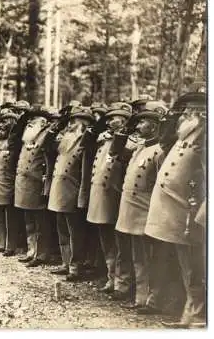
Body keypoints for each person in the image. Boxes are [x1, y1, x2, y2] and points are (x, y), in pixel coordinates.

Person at [144, 92, 206, 328]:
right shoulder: (184, 132)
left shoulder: (205, 137)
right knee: (182, 262)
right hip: (171, 206)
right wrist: (174, 114)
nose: (191, 112)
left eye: (197, 108)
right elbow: (164, 138)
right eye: (188, 107)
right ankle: (188, 313)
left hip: (188, 207)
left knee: (193, 264)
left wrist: (200, 206)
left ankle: (197, 317)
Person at [110, 101, 168, 310]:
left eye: (142, 121)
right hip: (129, 208)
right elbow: (115, 153)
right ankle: (132, 292)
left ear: (154, 125)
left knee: (145, 257)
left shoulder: (160, 150)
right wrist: (122, 132)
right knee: (132, 254)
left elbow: (161, 184)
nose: (138, 125)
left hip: (145, 210)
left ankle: (147, 299)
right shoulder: (139, 147)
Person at [86, 102, 134, 298]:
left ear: (125, 121)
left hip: (116, 195)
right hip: (100, 194)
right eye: (111, 118)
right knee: (105, 237)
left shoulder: (131, 141)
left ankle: (123, 282)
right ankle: (111, 276)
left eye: (118, 118)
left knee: (119, 240)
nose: (112, 121)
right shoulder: (102, 140)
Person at [47, 106, 95, 281]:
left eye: (77, 120)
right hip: (59, 188)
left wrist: (82, 196)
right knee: (62, 230)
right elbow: (47, 147)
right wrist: (55, 128)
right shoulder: (64, 139)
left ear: (86, 124)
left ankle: (76, 267)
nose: (72, 123)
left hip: (73, 191)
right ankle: (66, 263)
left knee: (75, 232)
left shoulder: (86, 142)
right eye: (72, 120)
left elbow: (86, 171)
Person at [13, 107, 57, 267]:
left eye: (35, 120)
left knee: (41, 223)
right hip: (24, 184)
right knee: (28, 220)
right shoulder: (27, 136)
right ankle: (31, 250)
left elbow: (49, 162)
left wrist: (46, 185)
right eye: (29, 120)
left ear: (44, 123)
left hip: (37, 184)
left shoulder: (46, 136)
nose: (30, 122)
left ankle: (42, 254)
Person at [0, 108, 21, 256]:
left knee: (10, 214)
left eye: (6, 121)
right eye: (1, 121)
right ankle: (0, 242)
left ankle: (10, 245)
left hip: (8, 181)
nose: (2, 124)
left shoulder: (13, 142)